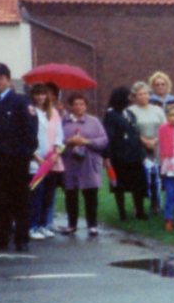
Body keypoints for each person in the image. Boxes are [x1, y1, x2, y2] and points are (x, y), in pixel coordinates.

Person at [0, 62, 37, 251]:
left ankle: (22, 239)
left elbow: (30, 133)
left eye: (0, 78)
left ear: (8, 80)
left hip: (15, 162)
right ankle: (1, 237)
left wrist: (22, 157)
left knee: (19, 202)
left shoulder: (21, 101)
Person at [60, 92, 108, 236]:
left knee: (90, 194)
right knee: (71, 194)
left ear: (86, 106)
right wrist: (68, 142)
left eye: (82, 104)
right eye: (75, 104)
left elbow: (104, 140)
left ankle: (92, 225)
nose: (78, 107)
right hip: (70, 162)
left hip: (89, 162)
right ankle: (71, 224)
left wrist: (87, 142)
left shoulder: (94, 122)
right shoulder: (64, 122)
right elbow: (57, 140)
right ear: (70, 106)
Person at [103, 86, 148, 221]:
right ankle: (122, 213)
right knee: (120, 186)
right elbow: (109, 137)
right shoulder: (111, 115)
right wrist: (107, 156)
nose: (131, 99)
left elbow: (135, 132)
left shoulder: (129, 113)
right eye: (129, 96)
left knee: (138, 185)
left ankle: (139, 211)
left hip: (135, 155)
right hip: (120, 156)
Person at [27, 83, 64, 240]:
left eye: (43, 94)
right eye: (37, 94)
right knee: (36, 194)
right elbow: (28, 135)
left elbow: (59, 135)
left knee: (48, 194)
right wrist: (37, 157)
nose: (40, 97)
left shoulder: (53, 112)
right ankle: (32, 226)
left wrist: (56, 152)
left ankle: (43, 224)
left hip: (51, 158)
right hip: (35, 160)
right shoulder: (30, 111)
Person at [129, 81, 167, 212]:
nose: (143, 96)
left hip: (156, 146)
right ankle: (137, 205)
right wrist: (144, 140)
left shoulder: (157, 110)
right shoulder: (130, 111)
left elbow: (165, 128)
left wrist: (155, 140)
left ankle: (155, 203)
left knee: (155, 177)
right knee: (140, 176)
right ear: (135, 96)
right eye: (139, 94)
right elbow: (130, 129)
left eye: (145, 93)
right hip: (139, 147)